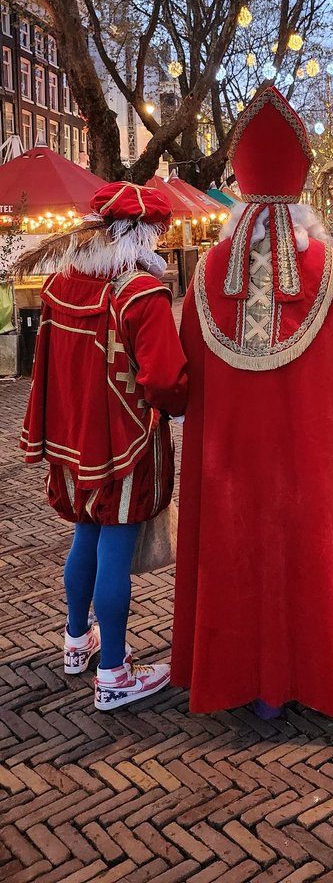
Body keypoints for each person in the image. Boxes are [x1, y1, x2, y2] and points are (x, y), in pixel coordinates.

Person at [172, 86, 333, 718]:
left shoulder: (210, 271)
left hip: (231, 466)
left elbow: (187, 369)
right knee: (306, 541)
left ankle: (236, 676)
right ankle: (313, 670)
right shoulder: (330, 271)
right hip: (309, 462)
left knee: (235, 544)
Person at [19, 182, 188, 711]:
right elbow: (167, 383)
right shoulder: (141, 292)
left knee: (84, 536)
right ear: (143, 235)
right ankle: (114, 670)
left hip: (70, 438)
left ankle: (76, 641)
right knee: (115, 544)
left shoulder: (63, 282)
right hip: (124, 440)